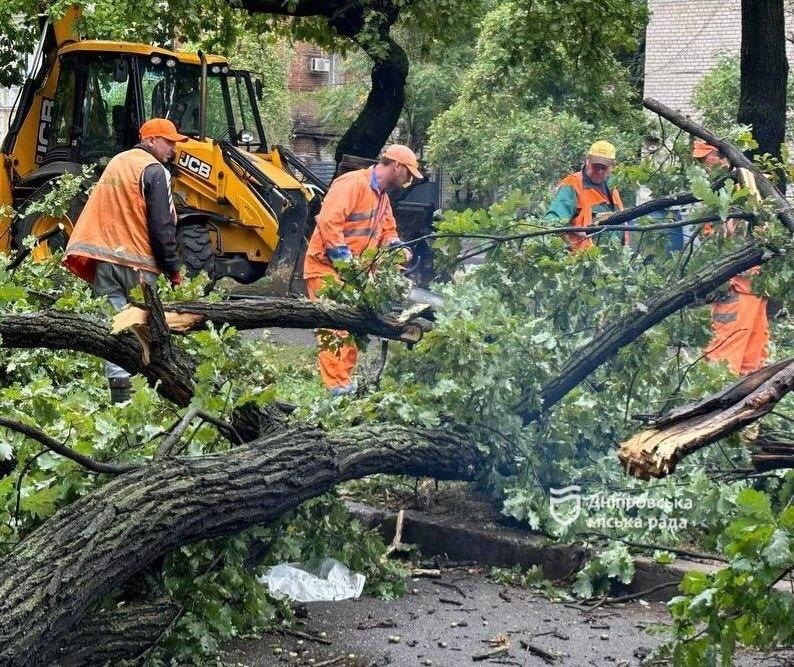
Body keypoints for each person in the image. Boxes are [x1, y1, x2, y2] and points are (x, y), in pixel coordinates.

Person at [63, 118, 187, 402]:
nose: (172, 149)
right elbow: (162, 225)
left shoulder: (118, 162)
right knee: (146, 332)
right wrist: (173, 267)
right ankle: (149, 396)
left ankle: (120, 399)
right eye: (169, 142)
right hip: (139, 265)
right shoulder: (155, 170)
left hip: (107, 260)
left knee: (117, 328)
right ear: (152, 140)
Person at [303, 144, 421, 396]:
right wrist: (346, 264)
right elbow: (328, 222)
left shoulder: (382, 199)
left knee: (354, 328)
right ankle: (336, 391)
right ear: (396, 166)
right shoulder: (352, 184)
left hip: (353, 274)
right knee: (335, 330)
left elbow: (388, 231)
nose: (409, 179)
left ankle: (343, 385)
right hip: (325, 268)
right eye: (408, 173)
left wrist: (399, 249)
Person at [692, 140, 769, 375]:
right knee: (724, 356)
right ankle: (715, 404)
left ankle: (746, 402)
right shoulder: (717, 193)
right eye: (700, 160)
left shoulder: (742, 189)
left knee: (751, 357)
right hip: (736, 285)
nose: (704, 164)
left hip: (751, 284)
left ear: (723, 158)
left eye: (707, 157)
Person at [544, 140, 626, 252]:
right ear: (587, 160)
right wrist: (578, 230)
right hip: (582, 259)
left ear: (612, 166)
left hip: (613, 260)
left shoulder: (612, 187)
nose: (599, 171)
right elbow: (551, 223)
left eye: (604, 167)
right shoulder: (572, 185)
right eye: (596, 166)